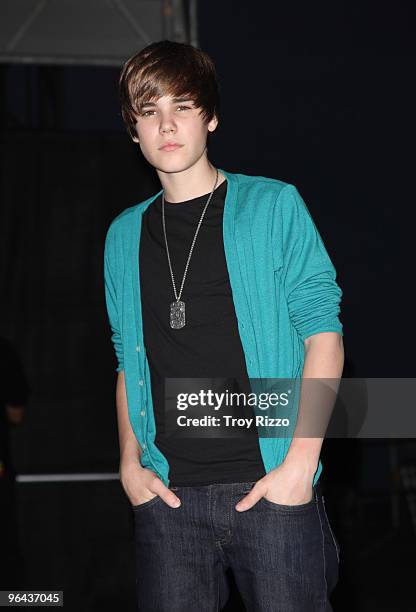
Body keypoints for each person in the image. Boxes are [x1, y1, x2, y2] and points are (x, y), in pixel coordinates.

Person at [104, 40, 344, 611]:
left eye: (182, 106)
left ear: (210, 117)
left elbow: (324, 338)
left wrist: (298, 468)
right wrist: (129, 465)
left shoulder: (273, 206)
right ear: (133, 129)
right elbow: (127, 360)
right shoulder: (121, 236)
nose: (166, 124)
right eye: (148, 111)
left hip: (269, 490)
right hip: (168, 503)